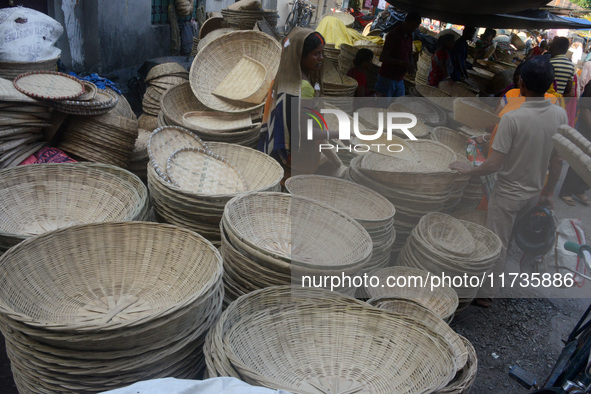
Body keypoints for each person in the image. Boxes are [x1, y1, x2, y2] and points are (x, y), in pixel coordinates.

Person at [449, 56, 568, 308]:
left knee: (497, 243)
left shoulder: (512, 118)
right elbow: (557, 161)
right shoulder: (559, 115)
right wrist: (548, 192)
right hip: (534, 191)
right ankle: (487, 288)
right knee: (510, 239)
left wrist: (468, 169)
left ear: (521, 83)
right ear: (548, 85)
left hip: (508, 193)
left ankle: (484, 293)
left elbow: (493, 164)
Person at [258, 28, 330, 179]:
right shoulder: (303, 88)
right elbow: (303, 132)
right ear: (300, 56)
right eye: (316, 54)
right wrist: (338, 134)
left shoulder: (284, 79)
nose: (321, 58)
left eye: (322, 53)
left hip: (281, 151)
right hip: (298, 158)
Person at [559, 80, 591, 206]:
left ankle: (580, 189)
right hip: (588, 129)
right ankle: (566, 191)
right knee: (580, 159)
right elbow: (585, 109)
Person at [374, 11, 421, 97]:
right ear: (406, 22)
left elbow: (409, 53)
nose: (414, 29)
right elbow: (383, 58)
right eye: (412, 26)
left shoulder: (409, 36)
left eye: (415, 28)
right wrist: (402, 63)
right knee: (383, 107)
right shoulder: (393, 35)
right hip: (387, 78)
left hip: (399, 79)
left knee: (397, 106)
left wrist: (410, 63)